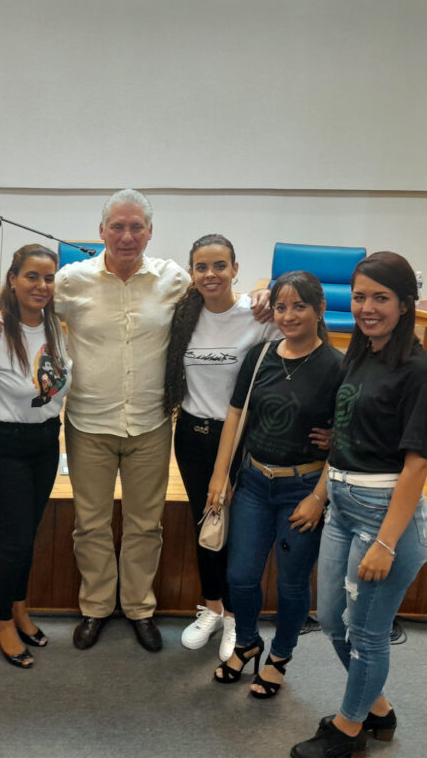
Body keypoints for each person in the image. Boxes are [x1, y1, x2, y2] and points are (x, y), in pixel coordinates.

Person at [0, 189, 270, 652]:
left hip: (151, 424)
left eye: (136, 227)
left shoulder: (173, 278)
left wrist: (265, 291)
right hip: (89, 423)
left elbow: (222, 292)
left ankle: (138, 608)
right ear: (101, 232)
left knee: (145, 526)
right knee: (89, 525)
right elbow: (24, 295)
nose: (127, 236)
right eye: (118, 226)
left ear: (150, 233)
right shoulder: (71, 281)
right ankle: (95, 608)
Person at [291, 252, 427, 758]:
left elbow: (418, 467)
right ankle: (377, 711)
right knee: (334, 621)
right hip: (341, 504)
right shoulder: (360, 353)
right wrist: (321, 491)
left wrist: (385, 542)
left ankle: (348, 729)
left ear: (405, 303)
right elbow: (350, 427)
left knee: (369, 634)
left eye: (381, 298)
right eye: (359, 297)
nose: (368, 307)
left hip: (385, 517)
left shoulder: (419, 372)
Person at [207, 271, 343, 698]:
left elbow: (347, 439)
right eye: (281, 307)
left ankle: (280, 655)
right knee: (241, 576)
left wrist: (319, 498)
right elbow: (234, 416)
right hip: (252, 482)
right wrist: (219, 475)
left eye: (299, 306)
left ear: (320, 310)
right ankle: (247, 643)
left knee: (291, 584)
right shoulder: (260, 355)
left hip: (301, 491)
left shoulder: (338, 367)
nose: (288, 316)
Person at [162, 234, 279, 660]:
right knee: (206, 524)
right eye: (201, 267)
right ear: (191, 273)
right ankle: (211, 607)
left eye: (219, 266)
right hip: (193, 434)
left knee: (239, 529)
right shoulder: (183, 315)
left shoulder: (258, 313)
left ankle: (235, 616)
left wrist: (274, 290)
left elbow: (307, 328)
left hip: (245, 439)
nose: (211, 275)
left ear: (235, 269)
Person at [0, 245, 70, 668]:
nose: (41, 285)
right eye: (32, 276)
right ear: (12, 279)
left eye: (48, 278)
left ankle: (19, 607)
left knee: (28, 533)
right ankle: (1, 618)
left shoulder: (54, 326)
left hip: (44, 443)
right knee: (15, 539)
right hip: (4, 447)